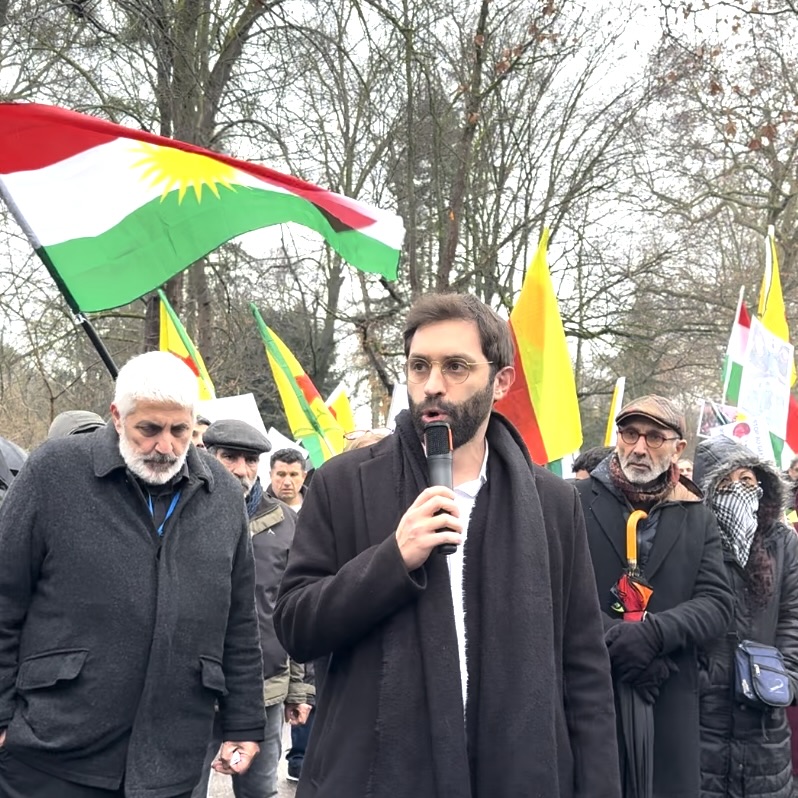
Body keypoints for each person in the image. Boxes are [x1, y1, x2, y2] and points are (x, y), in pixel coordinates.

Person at [274, 292, 621, 798]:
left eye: (456, 366)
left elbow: (583, 666)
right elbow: (295, 626)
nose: (433, 385)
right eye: (420, 367)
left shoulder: (553, 503)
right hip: (375, 778)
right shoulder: (343, 483)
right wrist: (392, 560)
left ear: (501, 381)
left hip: (514, 775)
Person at [0, 351, 265, 798]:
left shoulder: (221, 497)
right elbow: (4, 597)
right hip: (53, 752)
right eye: (149, 429)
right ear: (117, 418)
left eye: (180, 430)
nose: (165, 447)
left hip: (171, 755)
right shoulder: (54, 472)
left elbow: (238, 621)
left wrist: (244, 720)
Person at [575, 394, 734, 798]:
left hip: (669, 695)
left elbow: (717, 603)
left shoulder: (697, 515)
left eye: (654, 437)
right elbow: (554, 591)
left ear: (679, 448)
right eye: (629, 434)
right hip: (590, 692)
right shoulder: (573, 502)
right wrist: (615, 637)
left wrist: (653, 635)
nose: (639, 447)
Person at [191, 419, 312, 798]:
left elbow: (294, 611)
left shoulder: (289, 524)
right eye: (230, 457)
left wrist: (300, 688)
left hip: (265, 691)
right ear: (207, 455)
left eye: (250, 460)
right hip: (190, 688)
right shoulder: (180, 514)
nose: (241, 470)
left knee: (259, 792)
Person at [693, 436, 798, 798]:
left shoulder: (783, 543)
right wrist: (703, 681)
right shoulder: (690, 539)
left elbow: (792, 618)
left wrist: (785, 679)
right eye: (726, 482)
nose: (738, 490)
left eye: (748, 481)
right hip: (701, 725)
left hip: (765, 728)